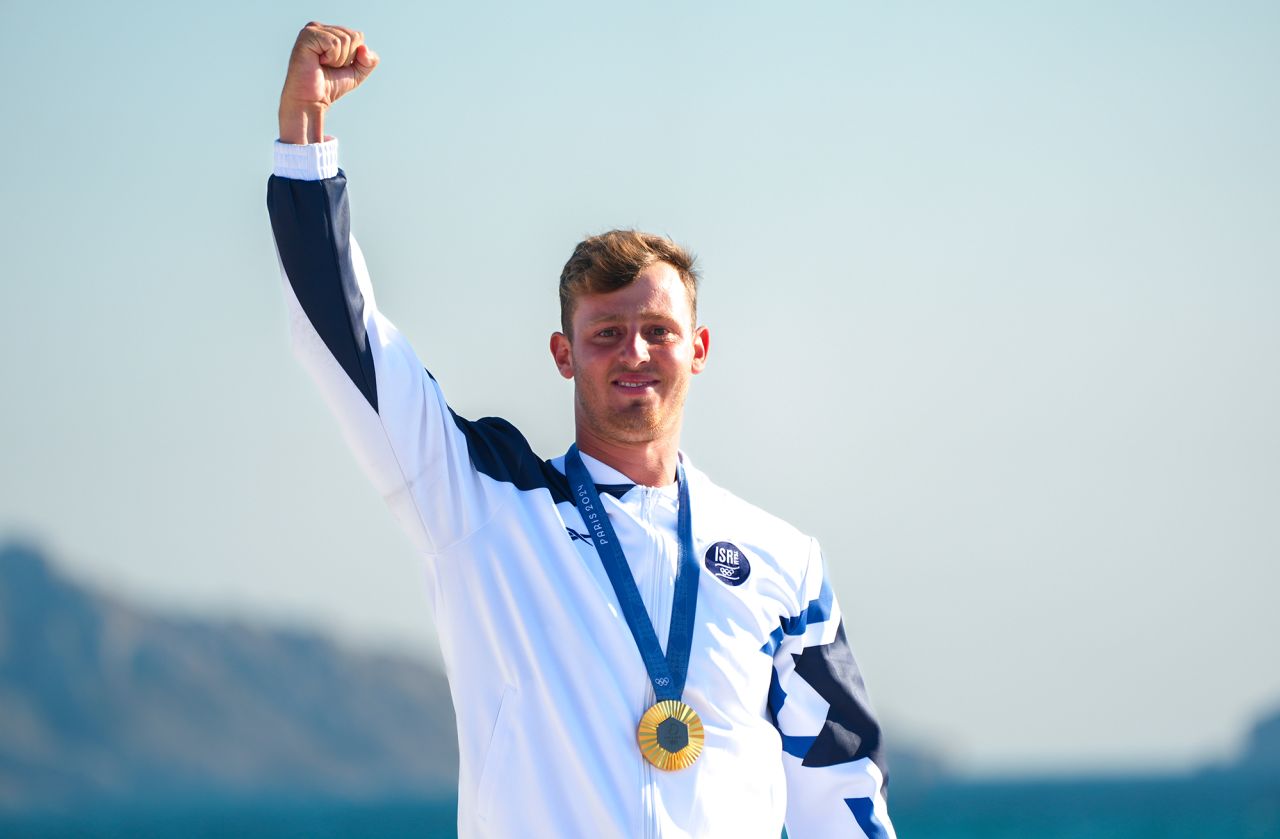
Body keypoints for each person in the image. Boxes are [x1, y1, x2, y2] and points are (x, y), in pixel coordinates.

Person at [267, 22, 897, 839]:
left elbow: (839, 791)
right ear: (565, 354)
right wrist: (305, 139)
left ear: (697, 349)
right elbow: (347, 348)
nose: (634, 353)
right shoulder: (482, 503)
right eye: (605, 334)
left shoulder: (783, 560)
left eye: (659, 332)